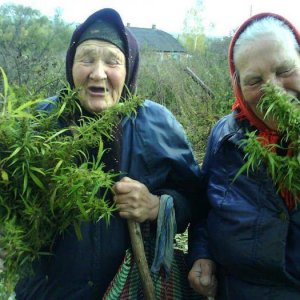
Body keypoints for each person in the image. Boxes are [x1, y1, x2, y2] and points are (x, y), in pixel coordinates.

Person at [12, 8, 201, 299]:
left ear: (129, 69)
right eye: (86, 59)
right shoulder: (36, 124)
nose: (97, 72)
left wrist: (155, 206)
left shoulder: (157, 125)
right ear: (70, 65)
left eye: (112, 62)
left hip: (129, 290)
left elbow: (197, 201)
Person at [188, 12, 300, 300]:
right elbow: (203, 209)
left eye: (285, 69)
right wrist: (202, 255)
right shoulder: (225, 136)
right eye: (254, 80)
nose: (274, 90)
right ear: (238, 86)